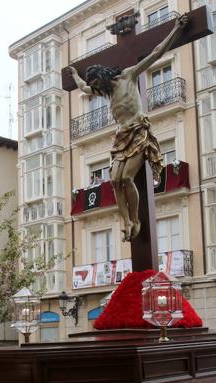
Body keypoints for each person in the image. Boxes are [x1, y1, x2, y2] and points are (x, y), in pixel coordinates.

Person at [69, 14, 189, 241]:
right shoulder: (104, 90)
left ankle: (135, 219)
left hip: (138, 132)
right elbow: (84, 89)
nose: (96, 90)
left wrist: (175, 30)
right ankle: (126, 222)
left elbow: (156, 54)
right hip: (120, 136)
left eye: (97, 84)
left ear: (103, 76)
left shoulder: (127, 76)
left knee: (126, 179)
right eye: (95, 86)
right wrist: (75, 75)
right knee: (114, 180)